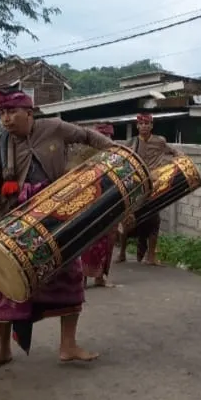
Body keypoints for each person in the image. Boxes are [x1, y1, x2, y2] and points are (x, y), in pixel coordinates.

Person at [0, 85, 115, 371]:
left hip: (58, 217)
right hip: (12, 224)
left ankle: (68, 346)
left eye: (12, 112)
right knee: (4, 285)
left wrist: (114, 150)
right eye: (3, 113)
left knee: (70, 277)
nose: (6, 119)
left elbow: (86, 136)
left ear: (29, 112)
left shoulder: (55, 127)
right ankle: (3, 349)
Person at [117, 113, 179, 266]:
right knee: (127, 219)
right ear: (137, 126)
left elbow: (175, 152)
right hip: (135, 187)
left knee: (154, 220)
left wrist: (178, 162)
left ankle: (151, 256)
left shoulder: (160, 141)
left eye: (147, 123)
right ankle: (122, 253)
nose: (144, 126)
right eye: (141, 123)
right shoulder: (130, 143)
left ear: (152, 125)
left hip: (154, 186)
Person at [80, 123, 119, 288]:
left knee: (108, 240)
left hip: (109, 204)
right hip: (89, 204)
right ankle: (81, 279)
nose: (106, 140)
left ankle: (100, 277)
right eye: (103, 136)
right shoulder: (85, 157)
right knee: (86, 242)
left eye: (108, 137)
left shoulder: (116, 157)